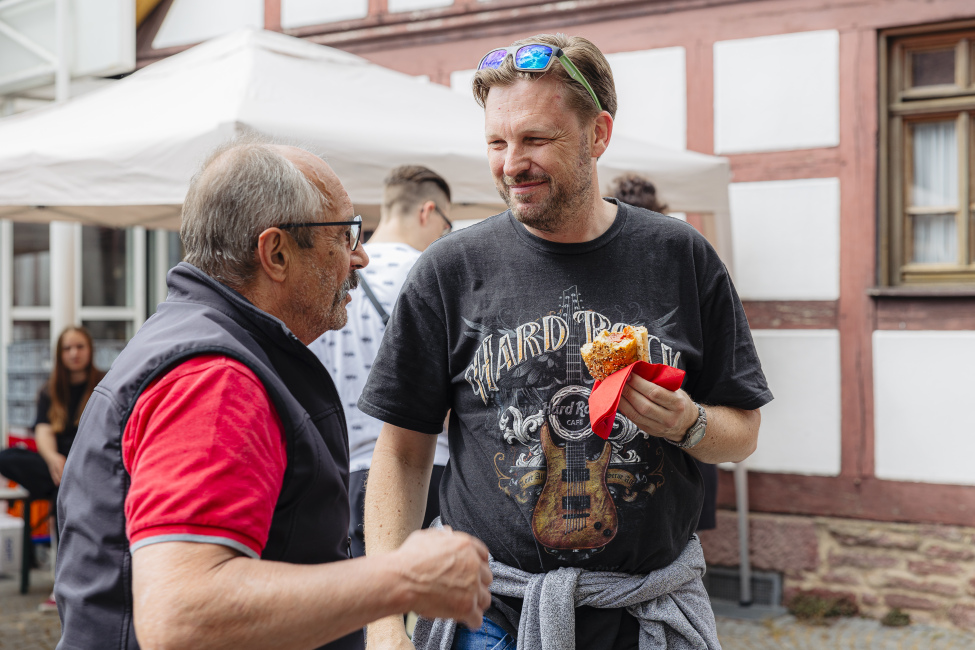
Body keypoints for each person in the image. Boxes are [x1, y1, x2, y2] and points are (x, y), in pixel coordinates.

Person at [359, 34, 772, 650]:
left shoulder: (679, 256)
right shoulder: (450, 270)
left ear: (598, 134)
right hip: (488, 617)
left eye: (536, 140)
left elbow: (742, 430)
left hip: (644, 615)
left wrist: (686, 423)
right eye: (497, 143)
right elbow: (401, 454)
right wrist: (384, 616)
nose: (510, 164)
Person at [54, 140, 491, 650]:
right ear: (276, 252)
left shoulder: (202, 343)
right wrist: (402, 580)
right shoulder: (215, 379)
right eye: (346, 234)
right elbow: (183, 616)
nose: (362, 255)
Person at [309, 165, 453, 558]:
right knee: (431, 614)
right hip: (428, 473)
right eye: (446, 221)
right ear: (427, 212)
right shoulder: (428, 276)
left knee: (369, 607)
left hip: (345, 472)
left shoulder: (334, 280)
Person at [606, 173, 717, 533]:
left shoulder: (686, 267)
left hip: (679, 447)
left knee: (682, 536)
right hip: (672, 454)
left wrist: (688, 422)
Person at [0, 326, 104, 611]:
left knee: (63, 493)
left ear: (89, 350)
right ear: (60, 354)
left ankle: (64, 585)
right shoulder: (50, 389)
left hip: (90, 463)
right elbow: (43, 431)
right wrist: (53, 459)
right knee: (7, 457)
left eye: (79, 347)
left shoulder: (104, 382)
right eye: (68, 348)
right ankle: (64, 583)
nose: (74, 353)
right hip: (58, 465)